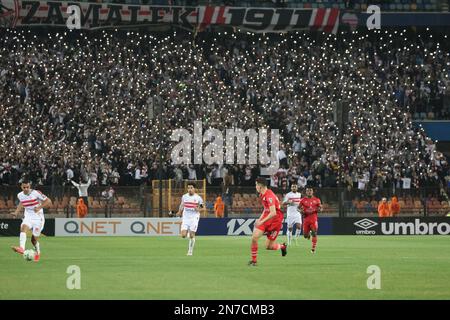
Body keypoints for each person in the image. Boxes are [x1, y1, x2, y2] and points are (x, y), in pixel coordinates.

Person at [10, 179, 52, 262]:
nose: (26, 189)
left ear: (30, 186)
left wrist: (39, 207)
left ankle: (37, 251)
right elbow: (22, 203)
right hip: (28, 216)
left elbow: (48, 201)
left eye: (27, 187)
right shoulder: (20, 195)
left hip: (38, 218)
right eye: (24, 187)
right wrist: (16, 212)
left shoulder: (36, 193)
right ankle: (22, 248)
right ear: (21, 187)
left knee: (33, 240)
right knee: (23, 227)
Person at [249, 177, 287, 266]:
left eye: (256, 185)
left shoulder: (269, 196)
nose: (255, 187)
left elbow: (273, 212)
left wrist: (261, 222)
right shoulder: (263, 194)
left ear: (260, 186)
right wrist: (260, 219)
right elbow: (266, 209)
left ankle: (282, 246)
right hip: (267, 217)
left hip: (275, 221)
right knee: (254, 238)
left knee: (268, 247)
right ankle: (254, 261)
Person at [176, 183, 204, 256]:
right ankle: (189, 233)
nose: (190, 189)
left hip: (194, 217)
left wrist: (198, 209)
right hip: (185, 217)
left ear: (194, 189)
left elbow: (203, 208)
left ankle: (190, 251)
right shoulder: (184, 197)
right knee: (183, 235)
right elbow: (182, 205)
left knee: (192, 235)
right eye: (188, 188)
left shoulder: (198, 198)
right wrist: (179, 212)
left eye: (191, 188)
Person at [299, 186, 322, 254]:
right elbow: (298, 208)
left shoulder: (317, 200)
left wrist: (319, 210)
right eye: (308, 191)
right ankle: (308, 234)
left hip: (313, 219)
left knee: (314, 233)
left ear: (312, 191)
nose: (309, 192)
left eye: (310, 190)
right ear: (306, 192)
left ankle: (313, 248)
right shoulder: (303, 200)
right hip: (306, 219)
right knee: (305, 235)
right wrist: (301, 211)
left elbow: (321, 208)